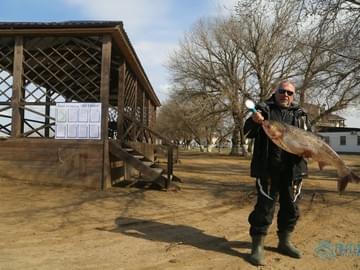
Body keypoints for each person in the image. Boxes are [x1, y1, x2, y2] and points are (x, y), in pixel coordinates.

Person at [243, 81, 311, 266]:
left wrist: (308, 150)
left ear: (293, 96)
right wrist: (253, 121)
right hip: (268, 170)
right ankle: (257, 246)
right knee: (264, 208)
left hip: (293, 172)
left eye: (290, 93)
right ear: (276, 91)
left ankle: (284, 242)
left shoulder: (301, 115)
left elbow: (309, 138)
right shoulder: (263, 109)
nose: (286, 95)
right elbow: (247, 132)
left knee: (291, 208)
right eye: (282, 91)